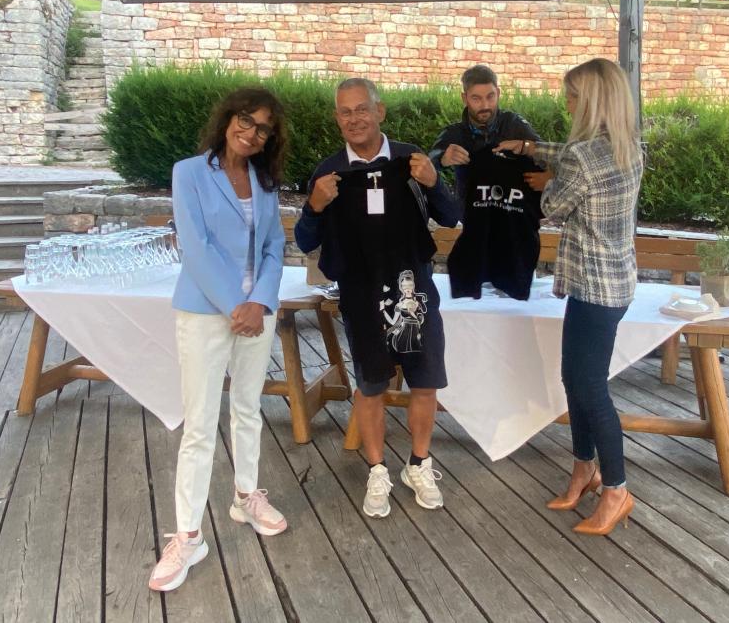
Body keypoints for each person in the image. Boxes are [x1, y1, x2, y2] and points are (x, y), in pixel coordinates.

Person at [295, 78, 460, 518]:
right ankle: (377, 469)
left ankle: (419, 464)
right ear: (337, 119)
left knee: (424, 380)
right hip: (361, 295)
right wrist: (315, 205)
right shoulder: (328, 172)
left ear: (379, 111)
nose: (355, 119)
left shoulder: (410, 160)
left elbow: (451, 216)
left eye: (362, 109)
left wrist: (434, 182)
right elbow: (305, 239)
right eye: (345, 112)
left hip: (413, 290)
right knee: (370, 385)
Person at [149, 88, 289, 592]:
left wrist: (261, 301)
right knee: (201, 425)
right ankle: (188, 536)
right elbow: (196, 246)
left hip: (258, 311)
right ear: (228, 119)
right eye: (245, 120)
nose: (251, 133)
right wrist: (237, 305)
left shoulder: (265, 182)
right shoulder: (189, 173)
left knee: (248, 408)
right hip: (208, 312)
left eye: (263, 128)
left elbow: (274, 245)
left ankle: (246, 497)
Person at [496, 58, 643, 536]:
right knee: (576, 380)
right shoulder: (627, 145)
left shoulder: (583, 159)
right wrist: (531, 148)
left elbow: (552, 206)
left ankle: (617, 490)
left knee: (589, 387)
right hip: (615, 282)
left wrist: (545, 182)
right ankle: (585, 470)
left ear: (593, 101)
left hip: (593, 288)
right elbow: (573, 154)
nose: (567, 102)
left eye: (573, 95)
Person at [429, 64, 541, 200]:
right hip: (470, 209)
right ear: (464, 99)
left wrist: (527, 148)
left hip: (513, 207)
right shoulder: (455, 132)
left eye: (490, 97)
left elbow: (545, 153)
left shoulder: (513, 123)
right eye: (476, 98)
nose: (485, 105)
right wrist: (442, 159)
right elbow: (428, 164)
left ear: (498, 93)